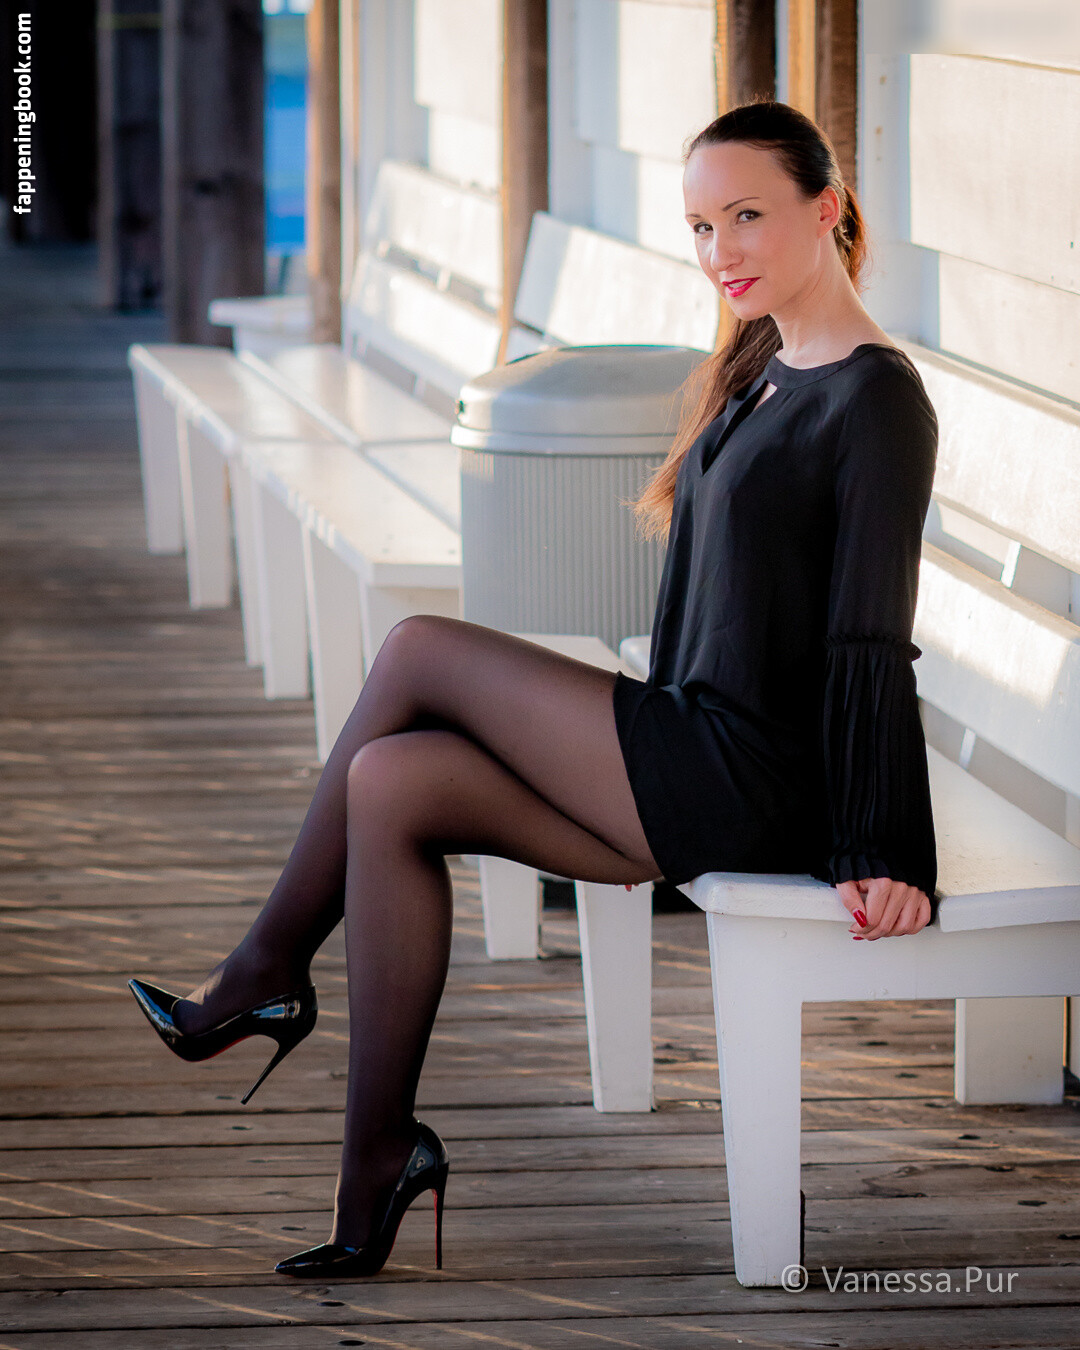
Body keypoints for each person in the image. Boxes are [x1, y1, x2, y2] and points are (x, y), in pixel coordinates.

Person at [128, 98, 938, 1280]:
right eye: (700, 227)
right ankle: (376, 1162)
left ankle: (261, 979)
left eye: (747, 217)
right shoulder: (762, 367)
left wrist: (882, 847)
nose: (720, 252)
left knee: (417, 649)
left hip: (750, 779)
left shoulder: (876, 399)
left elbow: (870, 637)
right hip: (686, 741)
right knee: (391, 784)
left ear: (828, 209)